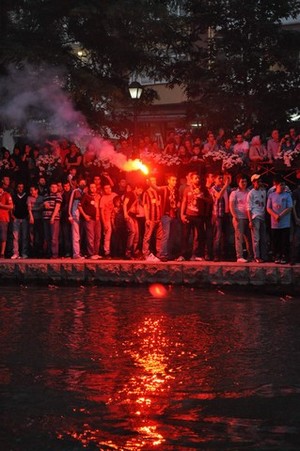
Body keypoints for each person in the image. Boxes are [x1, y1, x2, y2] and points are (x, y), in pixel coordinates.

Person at [177, 172, 211, 261]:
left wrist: (202, 197)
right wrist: (182, 214)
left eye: (198, 178)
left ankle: (198, 255)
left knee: (200, 236)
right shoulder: (187, 189)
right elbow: (184, 202)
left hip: (199, 216)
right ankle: (183, 255)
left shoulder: (203, 189)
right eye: (195, 178)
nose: (197, 180)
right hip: (188, 215)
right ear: (191, 180)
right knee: (186, 235)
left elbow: (211, 201)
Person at [267, 178, 292, 264]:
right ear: (276, 185)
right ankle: (276, 256)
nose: (283, 186)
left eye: (284, 184)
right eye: (281, 184)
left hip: (285, 223)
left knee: (284, 240)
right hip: (275, 224)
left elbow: (290, 207)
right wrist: (275, 215)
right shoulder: (271, 195)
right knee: (276, 240)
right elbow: (268, 208)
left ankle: (284, 256)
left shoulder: (287, 195)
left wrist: (280, 215)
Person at [229, 174, 253, 262]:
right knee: (239, 237)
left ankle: (251, 256)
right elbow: (231, 205)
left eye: (245, 181)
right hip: (239, 218)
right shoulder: (234, 193)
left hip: (248, 218)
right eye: (242, 181)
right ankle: (239, 256)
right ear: (238, 182)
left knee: (249, 238)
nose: (244, 183)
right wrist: (235, 216)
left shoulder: (249, 191)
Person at [157, 174, 180, 261]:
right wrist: (150, 181)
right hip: (166, 215)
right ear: (169, 181)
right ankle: (163, 254)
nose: (175, 182)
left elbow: (177, 201)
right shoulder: (164, 188)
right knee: (166, 235)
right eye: (173, 180)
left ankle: (170, 253)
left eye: (175, 180)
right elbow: (156, 188)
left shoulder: (175, 190)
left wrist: (177, 205)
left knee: (172, 235)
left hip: (173, 215)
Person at [210, 173, 232, 261]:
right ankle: (216, 255)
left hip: (225, 214)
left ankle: (224, 255)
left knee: (225, 236)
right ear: (215, 179)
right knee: (218, 236)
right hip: (217, 215)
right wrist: (226, 185)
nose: (221, 180)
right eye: (219, 178)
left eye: (222, 178)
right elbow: (218, 196)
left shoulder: (226, 188)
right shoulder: (213, 188)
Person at [247, 174, 267, 263]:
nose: (259, 182)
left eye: (259, 180)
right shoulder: (251, 193)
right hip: (255, 216)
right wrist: (250, 220)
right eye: (257, 181)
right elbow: (248, 208)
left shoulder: (263, 191)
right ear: (253, 182)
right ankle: (257, 256)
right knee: (256, 238)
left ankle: (264, 255)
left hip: (262, 216)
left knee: (263, 237)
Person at [78, 182, 102, 259]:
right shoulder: (86, 196)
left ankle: (96, 253)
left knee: (98, 237)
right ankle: (91, 254)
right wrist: (85, 216)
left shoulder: (99, 196)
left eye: (94, 187)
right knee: (90, 237)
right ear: (89, 188)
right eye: (91, 187)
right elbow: (79, 206)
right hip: (90, 219)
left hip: (98, 219)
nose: (93, 189)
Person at [142, 175, 163, 262]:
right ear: (149, 182)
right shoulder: (146, 193)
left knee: (159, 237)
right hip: (151, 219)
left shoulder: (158, 192)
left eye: (155, 180)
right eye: (152, 181)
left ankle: (159, 253)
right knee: (147, 237)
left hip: (158, 218)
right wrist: (147, 218)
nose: (154, 182)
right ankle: (145, 254)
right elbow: (145, 206)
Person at [42, 182, 62, 258]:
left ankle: (54, 254)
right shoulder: (46, 196)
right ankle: (49, 253)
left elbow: (57, 207)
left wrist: (53, 217)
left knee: (54, 237)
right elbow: (43, 205)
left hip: (54, 219)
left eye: (55, 187)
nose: (53, 188)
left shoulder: (58, 195)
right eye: (52, 187)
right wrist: (44, 204)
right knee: (47, 237)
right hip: (45, 218)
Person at [68, 179, 87, 259]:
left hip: (82, 217)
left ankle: (80, 252)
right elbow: (71, 202)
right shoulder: (75, 191)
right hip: (75, 215)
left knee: (81, 235)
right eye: (81, 183)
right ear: (78, 184)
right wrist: (70, 214)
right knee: (75, 235)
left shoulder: (85, 192)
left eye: (84, 183)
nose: (82, 184)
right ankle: (76, 254)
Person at [11, 182, 29, 259]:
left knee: (24, 236)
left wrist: (27, 216)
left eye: (22, 187)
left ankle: (24, 253)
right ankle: (16, 253)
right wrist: (13, 216)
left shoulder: (26, 196)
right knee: (15, 237)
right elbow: (12, 207)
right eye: (19, 187)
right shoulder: (14, 196)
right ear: (17, 188)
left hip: (25, 218)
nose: (20, 188)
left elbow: (29, 207)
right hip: (16, 218)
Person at [100, 183, 117, 258]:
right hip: (107, 219)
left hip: (115, 218)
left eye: (109, 188)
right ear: (104, 190)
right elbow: (101, 211)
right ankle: (107, 252)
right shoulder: (103, 198)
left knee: (116, 235)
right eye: (106, 188)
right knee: (107, 236)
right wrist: (104, 223)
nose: (108, 189)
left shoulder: (114, 195)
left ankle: (116, 251)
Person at [27, 185, 44, 257]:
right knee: (32, 236)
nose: (31, 192)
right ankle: (32, 252)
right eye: (30, 190)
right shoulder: (29, 198)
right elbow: (29, 208)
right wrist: (31, 216)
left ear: (36, 190)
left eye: (32, 190)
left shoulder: (41, 198)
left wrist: (36, 208)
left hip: (40, 219)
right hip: (32, 218)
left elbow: (42, 208)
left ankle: (40, 252)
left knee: (40, 235)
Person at [0, 182, 13, 258]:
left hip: (3, 219)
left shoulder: (7, 195)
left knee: (3, 236)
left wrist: (2, 205)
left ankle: (2, 253)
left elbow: (11, 206)